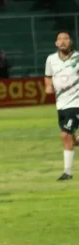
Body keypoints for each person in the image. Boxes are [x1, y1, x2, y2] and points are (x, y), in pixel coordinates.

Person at [45, 31, 79, 181]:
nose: (63, 41)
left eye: (66, 38)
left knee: (65, 135)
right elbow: (48, 76)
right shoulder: (51, 59)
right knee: (70, 139)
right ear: (56, 43)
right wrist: (48, 86)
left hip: (77, 103)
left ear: (70, 42)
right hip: (61, 105)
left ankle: (68, 173)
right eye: (60, 39)